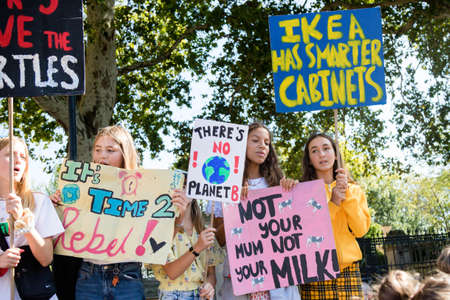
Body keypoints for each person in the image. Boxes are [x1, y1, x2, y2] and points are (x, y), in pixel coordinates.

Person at [51, 125, 189, 300]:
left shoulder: (145, 191)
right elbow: (62, 231)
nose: (102, 155)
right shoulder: (81, 189)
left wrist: (179, 216)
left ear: (125, 153)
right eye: (98, 149)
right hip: (88, 276)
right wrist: (55, 206)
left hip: (127, 275)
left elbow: (158, 241)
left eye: (110, 150)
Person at [208, 122, 301, 300]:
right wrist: (237, 209)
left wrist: (293, 193)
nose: (262, 146)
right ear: (241, 144)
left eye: (267, 142)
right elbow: (219, 239)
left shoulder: (277, 184)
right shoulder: (224, 186)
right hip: (240, 278)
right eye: (255, 140)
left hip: (278, 278)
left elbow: (293, 228)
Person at [299, 132, 370, 299]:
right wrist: (333, 204)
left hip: (348, 272)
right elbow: (309, 233)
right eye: (314, 151)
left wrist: (347, 194)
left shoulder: (354, 190)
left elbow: (360, 230)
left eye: (326, 148)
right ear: (309, 159)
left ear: (335, 153)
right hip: (315, 273)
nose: (322, 154)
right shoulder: (302, 192)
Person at [0, 136, 64, 300]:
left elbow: (46, 258)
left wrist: (22, 219)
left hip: (37, 294)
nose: (18, 161)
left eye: (23, 156)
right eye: (10, 155)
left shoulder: (39, 201)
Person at [152, 195, 224, 300]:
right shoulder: (162, 231)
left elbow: (211, 274)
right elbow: (172, 272)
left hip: (200, 294)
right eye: (182, 182)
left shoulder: (203, 231)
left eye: (187, 182)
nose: (184, 187)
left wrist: (209, 285)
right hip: (173, 295)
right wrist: (197, 248)